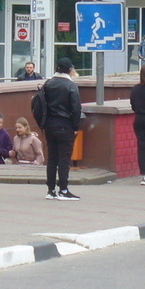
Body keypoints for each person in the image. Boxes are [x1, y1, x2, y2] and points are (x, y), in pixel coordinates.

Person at [41, 57, 83, 200]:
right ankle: (63, 190)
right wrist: (76, 127)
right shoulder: (71, 86)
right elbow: (76, 108)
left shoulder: (48, 83)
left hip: (49, 125)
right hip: (65, 125)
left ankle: (50, 190)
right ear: (69, 69)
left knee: (52, 158)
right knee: (64, 158)